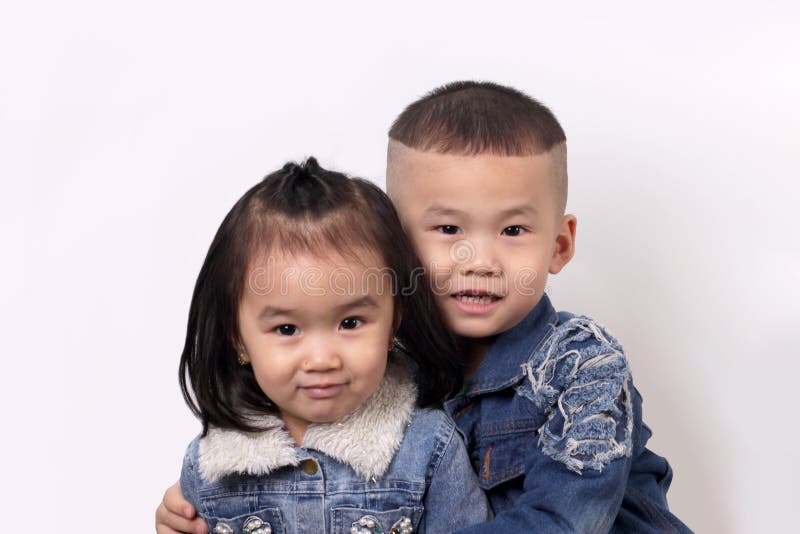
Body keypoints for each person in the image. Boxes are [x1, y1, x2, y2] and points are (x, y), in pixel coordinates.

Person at [158, 82, 692, 533]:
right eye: (447, 229)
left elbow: (565, 520)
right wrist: (204, 500)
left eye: (513, 230)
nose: (478, 259)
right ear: (392, 242)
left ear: (558, 245)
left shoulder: (583, 366)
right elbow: (303, 452)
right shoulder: (376, 353)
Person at [171, 158, 491, 534]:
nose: (322, 359)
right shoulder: (209, 465)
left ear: (392, 325)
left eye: (350, 323)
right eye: (287, 328)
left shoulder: (428, 449)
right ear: (237, 339)